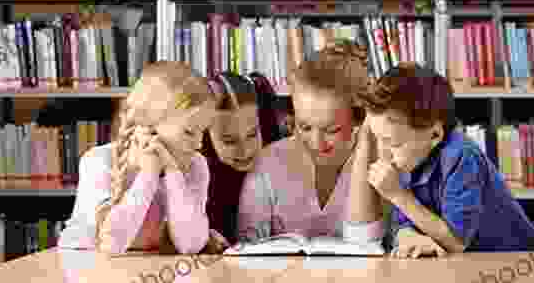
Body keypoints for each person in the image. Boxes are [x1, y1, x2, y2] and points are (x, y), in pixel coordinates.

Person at [356, 62, 534, 258]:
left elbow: (455, 242)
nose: (384, 153)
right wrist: (412, 238)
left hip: (522, 264)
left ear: (434, 135)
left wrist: (397, 195)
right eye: (378, 139)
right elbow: (403, 224)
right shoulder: (408, 159)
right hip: (468, 266)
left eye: (393, 143)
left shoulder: (461, 157)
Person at [57, 61, 218, 255]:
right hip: (87, 266)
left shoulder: (196, 165)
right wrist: (149, 174)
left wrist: (171, 171)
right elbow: (112, 245)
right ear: (148, 125)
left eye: (203, 132)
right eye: (190, 132)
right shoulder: (98, 162)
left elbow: (190, 245)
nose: (199, 144)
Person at [236, 40, 384, 245]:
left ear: (359, 118)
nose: (316, 143)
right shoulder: (268, 163)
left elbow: (368, 245)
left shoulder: (380, 162)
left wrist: (367, 142)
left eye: (332, 130)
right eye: (304, 126)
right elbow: (245, 248)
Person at [201, 71, 283, 249]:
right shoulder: (199, 179)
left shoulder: (278, 160)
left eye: (252, 134)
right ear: (205, 137)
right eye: (229, 141)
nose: (245, 150)